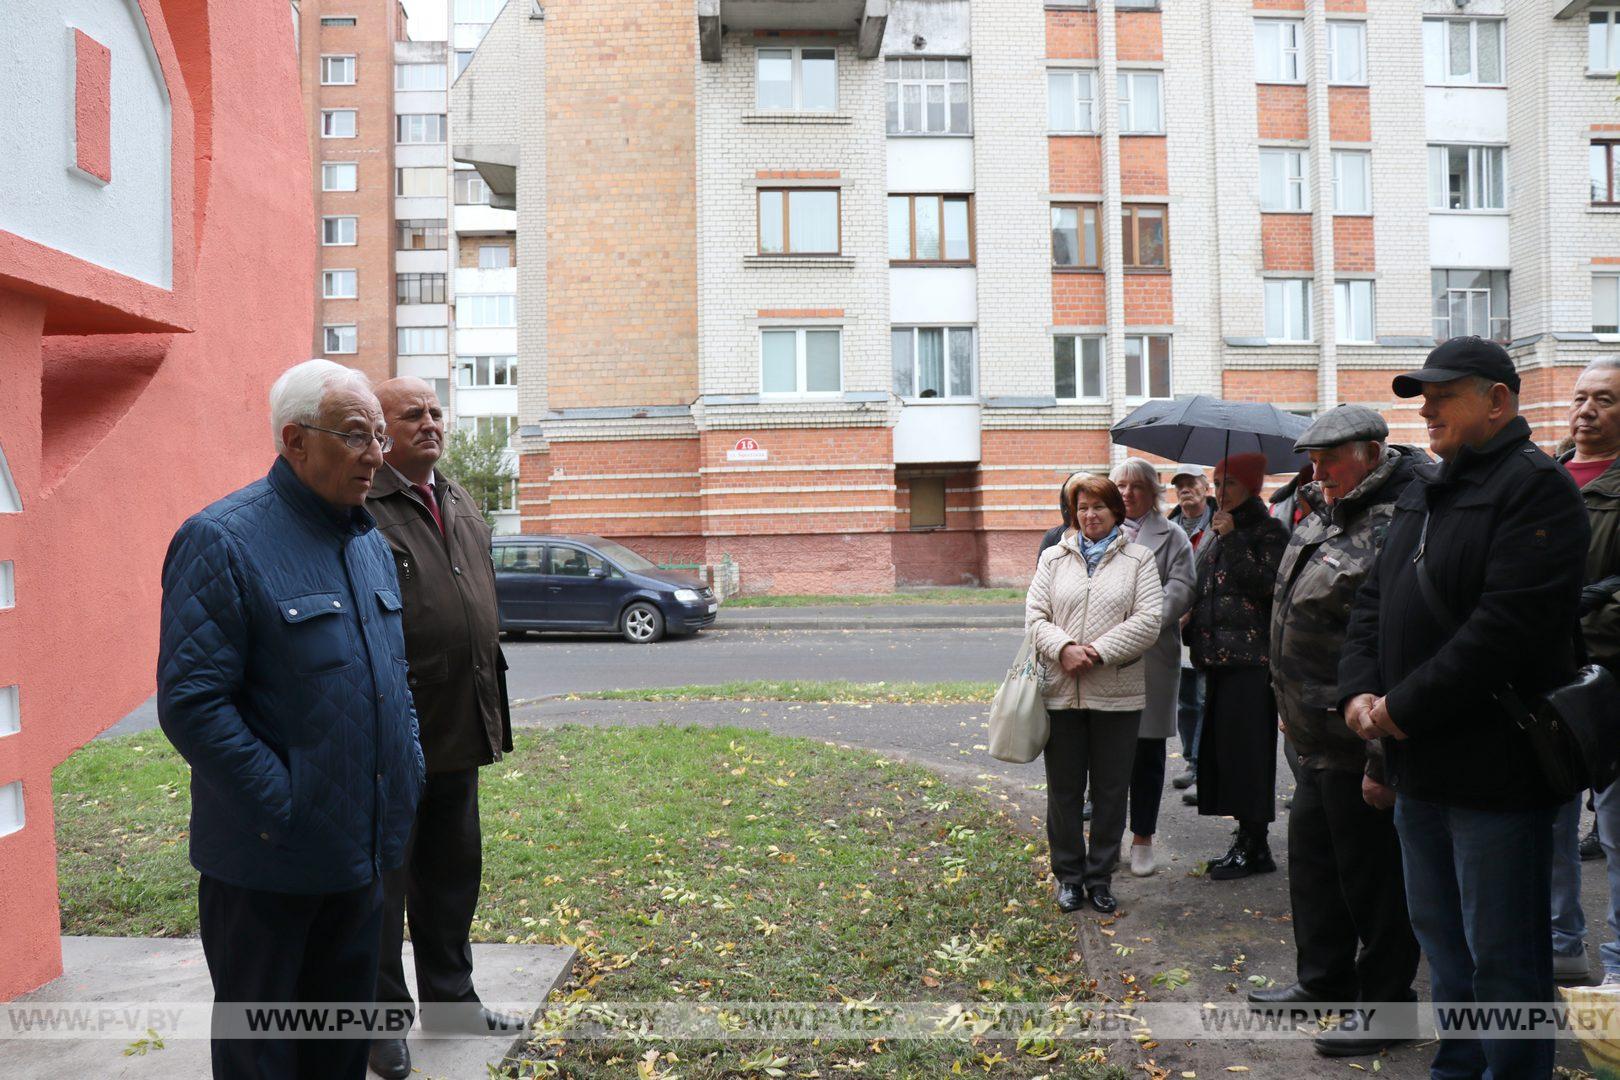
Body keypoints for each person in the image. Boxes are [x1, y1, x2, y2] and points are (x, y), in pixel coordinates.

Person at [156, 360, 425, 1080]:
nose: (376, 453)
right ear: (295, 440)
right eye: (356, 435)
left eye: (378, 436)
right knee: (264, 1054)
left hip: (360, 856)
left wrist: (408, 773)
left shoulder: (367, 542)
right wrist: (286, 806)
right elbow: (192, 704)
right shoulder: (222, 540)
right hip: (268, 864)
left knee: (337, 1050)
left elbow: (389, 681)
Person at [1339, 337, 1588, 1079]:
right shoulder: (1428, 487)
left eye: (1443, 395)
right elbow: (1374, 602)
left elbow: (1503, 633)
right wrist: (1357, 693)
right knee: (1445, 948)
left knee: (1503, 960)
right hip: (1422, 770)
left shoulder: (1537, 488)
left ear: (1498, 401)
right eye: (1423, 396)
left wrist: (1396, 710)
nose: (1427, 409)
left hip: (1497, 773)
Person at [365, 379, 521, 1078]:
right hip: (392, 736)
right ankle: (381, 1027)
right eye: (412, 415)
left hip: (459, 722)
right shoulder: (363, 504)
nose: (430, 424)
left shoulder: (455, 497)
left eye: (435, 412)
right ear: (379, 429)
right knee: (383, 888)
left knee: (453, 876)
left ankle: (453, 1001)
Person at [1255, 406, 1422, 1057]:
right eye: (1313, 460)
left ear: (1373, 453)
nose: (1316, 471)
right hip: (1310, 734)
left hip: (1361, 744)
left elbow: (1394, 647)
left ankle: (1388, 1008)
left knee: (1373, 882)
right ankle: (1322, 982)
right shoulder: (1328, 510)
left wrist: (1384, 761)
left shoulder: (1400, 521)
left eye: (1330, 459)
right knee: (1316, 868)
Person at [1026, 473, 1164, 914]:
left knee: (1110, 791)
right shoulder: (1053, 558)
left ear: (1115, 511)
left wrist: (1097, 652)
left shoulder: (1139, 559)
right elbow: (1034, 617)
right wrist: (1064, 649)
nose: (1090, 515)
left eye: (1099, 507)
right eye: (1082, 507)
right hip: (1060, 693)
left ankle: (1100, 876)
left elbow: (1148, 620)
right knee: (1064, 791)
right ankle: (1068, 876)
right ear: (1073, 512)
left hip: (1117, 695)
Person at [1184, 452, 1289, 880]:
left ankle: (1256, 845)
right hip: (1218, 660)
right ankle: (1244, 839)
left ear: (1251, 486)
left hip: (1252, 661)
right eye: (1216, 481)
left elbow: (1269, 586)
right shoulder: (1219, 530)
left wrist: (1232, 540)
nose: (1219, 490)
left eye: (1228, 482)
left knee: (1249, 756)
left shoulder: (1267, 531)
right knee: (1227, 754)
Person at [1561, 357, 1620, 987]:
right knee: (1548, 824)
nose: (1586, 410)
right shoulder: (1547, 472)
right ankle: (1560, 944)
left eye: (1604, 400)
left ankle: (1618, 969)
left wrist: (1579, 616)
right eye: (1582, 397)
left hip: (1608, 677)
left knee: (1616, 827)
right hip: (1543, 678)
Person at [1110, 458, 1196, 878]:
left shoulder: (1173, 536)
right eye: (1120, 486)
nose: (1127, 493)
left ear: (1152, 492)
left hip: (1149, 657)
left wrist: (1139, 623)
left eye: (1136, 486)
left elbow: (1180, 590)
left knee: (1145, 754)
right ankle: (1108, 839)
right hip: (1104, 659)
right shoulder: (1098, 531)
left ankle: (1142, 837)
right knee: (1105, 755)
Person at [1168, 464, 1216, 797]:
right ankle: (1189, 760)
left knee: (1204, 697)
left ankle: (1201, 764)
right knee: (1185, 701)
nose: (1186, 489)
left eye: (1192, 484)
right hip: (1173, 627)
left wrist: (1193, 610)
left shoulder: (1220, 523)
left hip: (1207, 626)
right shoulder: (1168, 527)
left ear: (1206, 487)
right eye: (1180, 485)